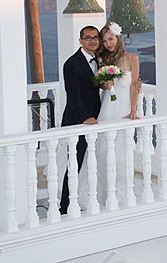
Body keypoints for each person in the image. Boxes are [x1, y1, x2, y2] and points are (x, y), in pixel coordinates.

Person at [78, 21, 140, 207]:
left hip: (123, 109)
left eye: (110, 39)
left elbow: (134, 85)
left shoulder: (132, 58)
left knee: (121, 157)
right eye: (104, 41)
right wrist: (104, 84)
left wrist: (133, 111)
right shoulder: (103, 59)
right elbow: (100, 84)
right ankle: (102, 195)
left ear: (118, 37)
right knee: (102, 152)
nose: (107, 44)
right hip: (107, 109)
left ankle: (121, 196)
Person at [59, 25, 102, 214]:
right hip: (78, 122)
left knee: (90, 163)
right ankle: (65, 206)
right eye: (87, 38)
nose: (92, 41)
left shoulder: (98, 61)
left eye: (95, 37)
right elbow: (73, 95)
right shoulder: (72, 63)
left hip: (95, 120)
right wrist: (85, 118)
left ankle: (87, 198)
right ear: (80, 41)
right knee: (74, 165)